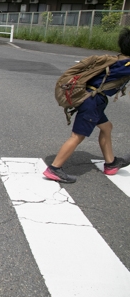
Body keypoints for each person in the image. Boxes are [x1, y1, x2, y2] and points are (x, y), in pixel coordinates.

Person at [44, 27, 130, 184]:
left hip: (95, 100)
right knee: (77, 136)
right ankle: (54, 169)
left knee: (106, 127)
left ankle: (111, 163)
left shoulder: (119, 60)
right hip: (92, 101)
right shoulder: (126, 64)